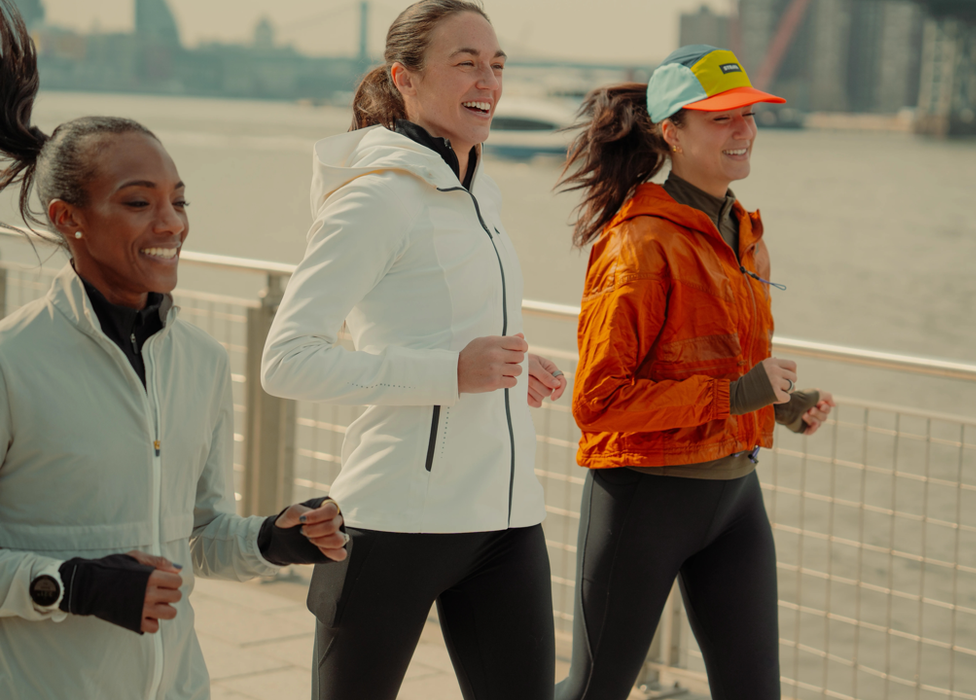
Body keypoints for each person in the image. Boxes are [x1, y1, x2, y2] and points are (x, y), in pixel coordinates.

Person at [0, 3, 348, 698]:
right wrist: (71, 584)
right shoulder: (12, 362)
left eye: (178, 201)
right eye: (137, 203)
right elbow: (67, 577)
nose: (170, 224)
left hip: (177, 685)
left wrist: (274, 538)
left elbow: (197, 531)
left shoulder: (202, 359)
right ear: (69, 220)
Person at [260, 2, 563, 698]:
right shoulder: (375, 198)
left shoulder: (475, 189)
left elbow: (443, 322)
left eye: (496, 65)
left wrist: (515, 367)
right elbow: (287, 358)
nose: (487, 80)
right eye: (465, 63)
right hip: (393, 521)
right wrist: (449, 373)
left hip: (506, 519)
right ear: (404, 77)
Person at [554, 45, 836, 700]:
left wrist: (779, 406)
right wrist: (741, 392)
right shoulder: (638, 243)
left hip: (735, 500)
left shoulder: (742, 231)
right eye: (720, 118)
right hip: (644, 502)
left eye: (747, 115)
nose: (743, 131)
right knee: (593, 692)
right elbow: (597, 402)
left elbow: (721, 363)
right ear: (670, 133)